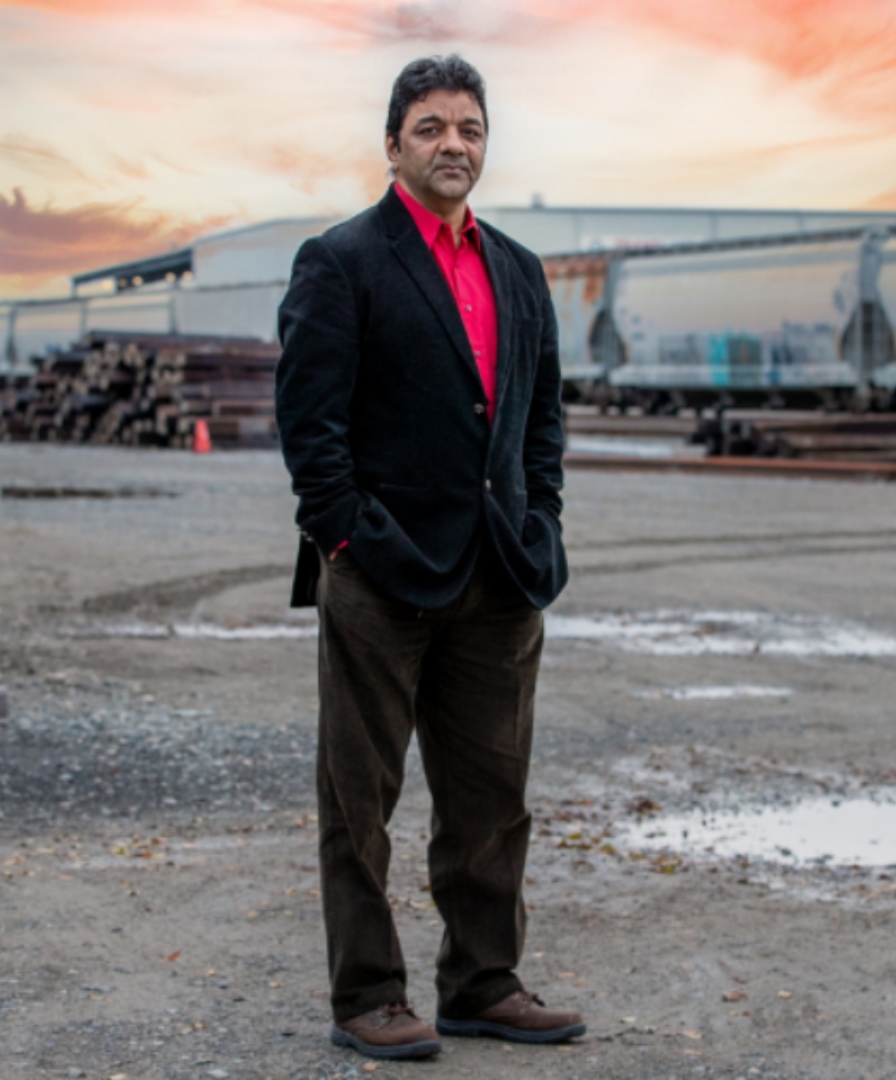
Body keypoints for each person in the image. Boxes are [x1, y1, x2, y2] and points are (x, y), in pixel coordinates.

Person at [274, 54, 582, 1061]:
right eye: (432, 127)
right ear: (395, 144)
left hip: (500, 575)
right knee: (359, 798)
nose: (455, 144)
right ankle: (368, 994)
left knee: (493, 797)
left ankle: (483, 982)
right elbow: (310, 425)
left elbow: (541, 419)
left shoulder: (520, 270)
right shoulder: (344, 258)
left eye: (471, 128)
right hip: (380, 573)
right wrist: (346, 536)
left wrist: (543, 522)